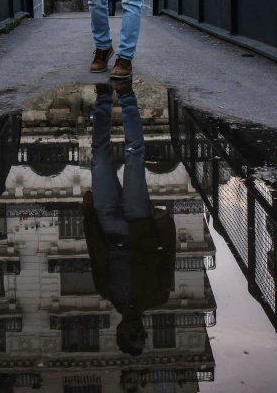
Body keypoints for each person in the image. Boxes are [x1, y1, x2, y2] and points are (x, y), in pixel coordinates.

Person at [82, 81, 176, 356]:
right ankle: (126, 96)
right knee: (135, 157)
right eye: (141, 336)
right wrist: (163, 221)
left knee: (100, 158)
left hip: (107, 224)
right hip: (139, 222)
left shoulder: (105, 292)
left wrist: (88, 215)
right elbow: (168, 255)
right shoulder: (158, 297)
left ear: (120, 332)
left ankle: (103, 98)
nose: (137, 332)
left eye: (131, 336)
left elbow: (94, 251)